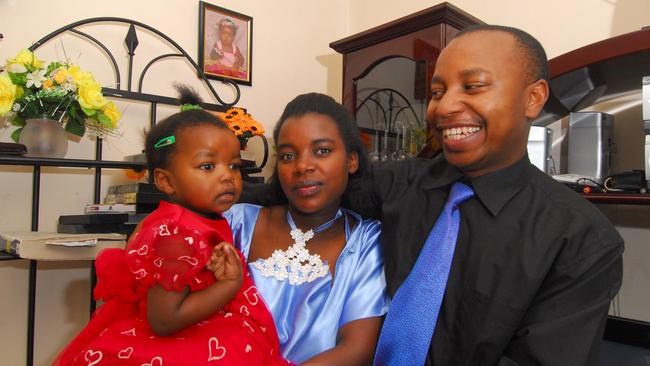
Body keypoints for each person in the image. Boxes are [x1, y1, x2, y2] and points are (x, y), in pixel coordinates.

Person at [243, 25, 624, 365]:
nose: (444, 106)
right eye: (438, 91)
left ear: (533, 98)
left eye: (472, 86)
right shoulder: (399, 185)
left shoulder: (581, 241)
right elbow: (291, 191)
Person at [53, 86, 289, 365]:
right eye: (207, 167)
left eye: (234, 166)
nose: (228, 176)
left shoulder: (202, 219)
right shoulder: (176, 233)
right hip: (181, 343)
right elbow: (165, 320)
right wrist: (229, 284)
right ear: (165, 181)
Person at [224, 92, 389, 365]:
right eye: (288, 156)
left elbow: (357, 349)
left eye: (322, 150)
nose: (302, 166)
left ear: (351, 160)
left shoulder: (366, 241)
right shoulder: (237, 223)